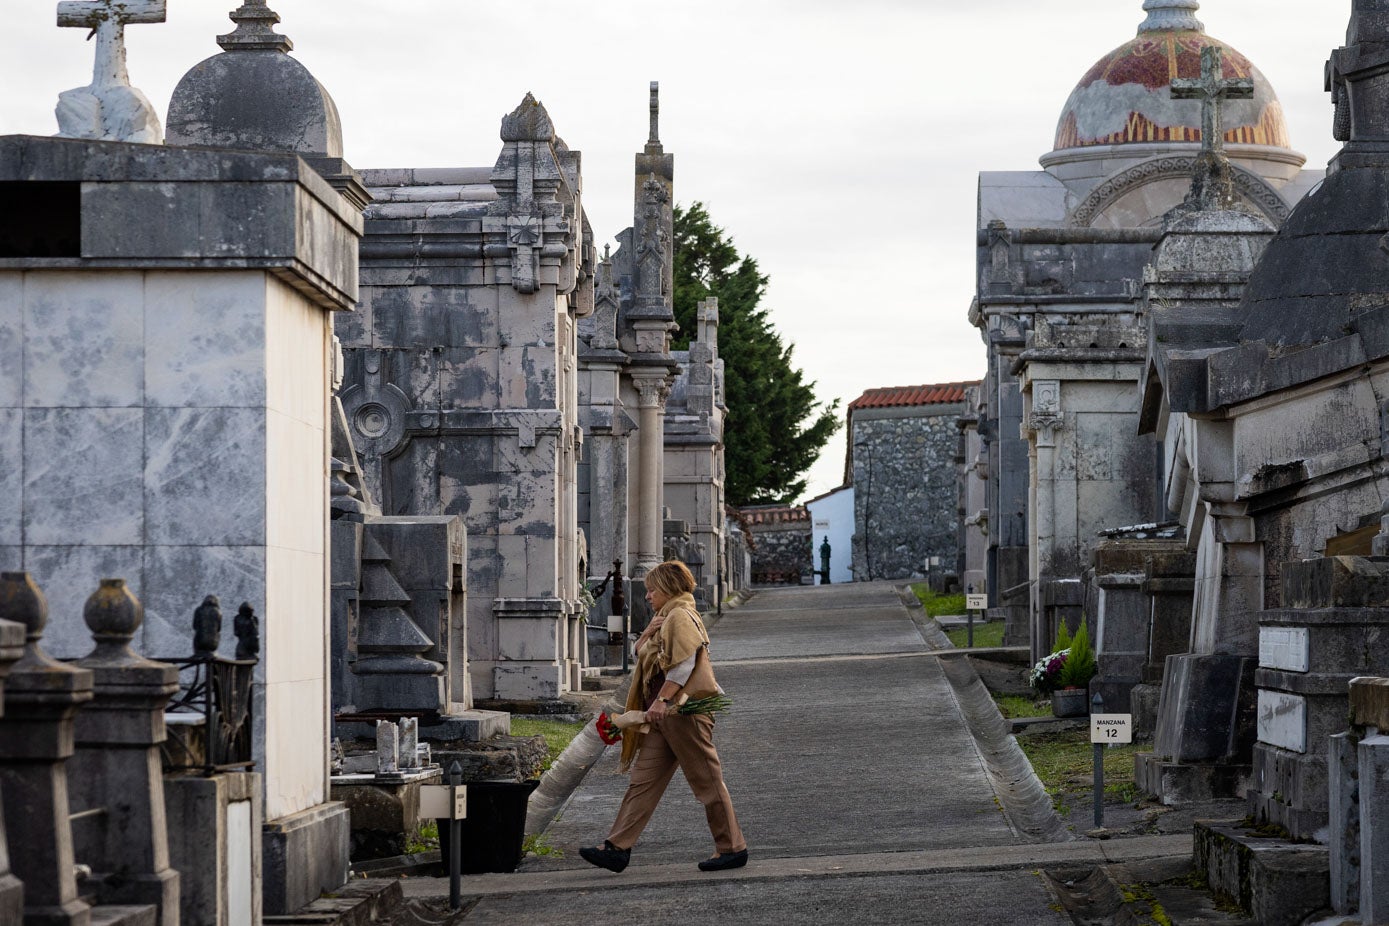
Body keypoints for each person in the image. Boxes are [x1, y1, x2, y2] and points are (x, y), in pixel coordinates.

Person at [580, 560, 748, 873]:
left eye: (652, 590)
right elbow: (640, 657)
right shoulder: (666, 616)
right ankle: (618, 847)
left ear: (668, 589)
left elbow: (683, 665)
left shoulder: (680, 615)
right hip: (660, 714)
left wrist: (662, 700)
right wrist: (647, 632)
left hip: (681, 712)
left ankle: (732, 848)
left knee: (707, 782)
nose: (648, 596)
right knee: (643, 782)